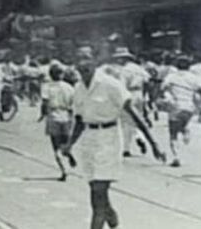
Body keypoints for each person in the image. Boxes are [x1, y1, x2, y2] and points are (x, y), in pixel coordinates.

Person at [69, 57, 165, 229]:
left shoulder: (111, 85)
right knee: (96, 191)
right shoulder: (78, 88)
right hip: (89, 140)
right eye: (80, 65)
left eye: (87, 64)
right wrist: (69, 145)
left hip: (109, 138)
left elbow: (134, 114)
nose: (83, 68)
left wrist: (154, 143)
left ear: (94, 63)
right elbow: (78, 120)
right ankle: (113, 221)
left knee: (98, 193)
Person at [159, 54, 201, 167]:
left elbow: (162, 88)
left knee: (173, 134)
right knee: (183, 124)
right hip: (190, 107)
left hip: (175, 106)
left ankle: (176, 157)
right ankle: (185, 130)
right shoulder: (194, 77)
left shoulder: (171, 76)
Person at [40, 63, 76, 181]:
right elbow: (73, 103)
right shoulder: (69, 87)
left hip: (53, 116)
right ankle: (68, 153)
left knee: (56, 146)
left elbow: (44, 103)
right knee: (65, 143)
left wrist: (42, 114)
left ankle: (64, 170)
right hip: (66, 116)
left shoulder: (47, 87)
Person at [116, 48, 150, 157]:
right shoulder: (139, 69)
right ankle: (140, 136)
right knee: (138, 119)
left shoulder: (124, 70)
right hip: (139, 93)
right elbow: (148, 81)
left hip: (129, 93)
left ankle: (126, 148)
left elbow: (122, 85)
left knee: (126, 122)